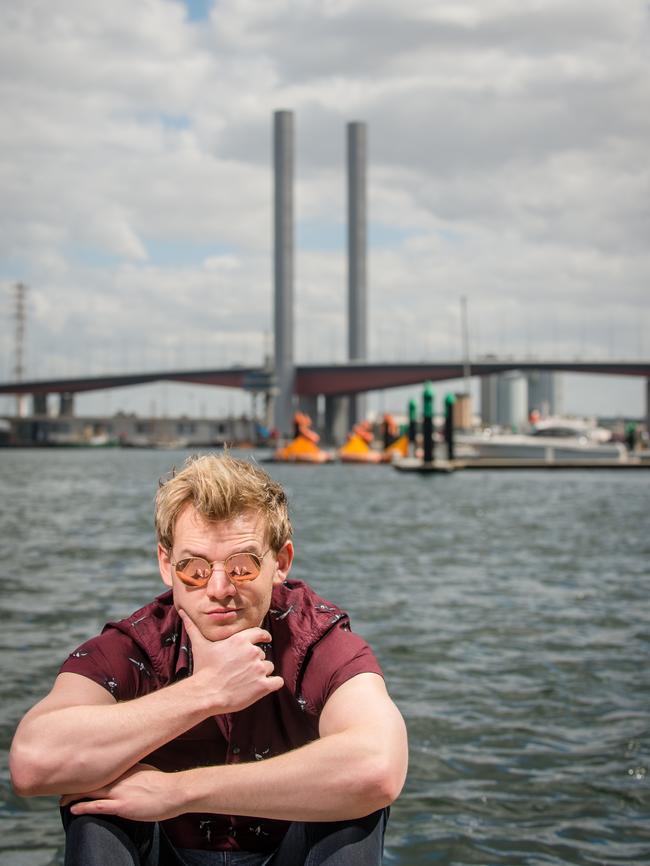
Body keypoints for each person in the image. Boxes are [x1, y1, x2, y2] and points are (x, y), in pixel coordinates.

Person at [10, 453, 408, 865]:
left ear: (281, 562)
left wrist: (177, 792)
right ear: (167, 565)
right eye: (194, 569)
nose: (218, 588)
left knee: (353, 799)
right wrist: (205, 691)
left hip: (288, 849)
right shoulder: (135, 647)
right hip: (162, 852)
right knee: (95, 792)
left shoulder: (316, 642)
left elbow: (378, 767)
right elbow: (32, 763)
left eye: (242, 567)